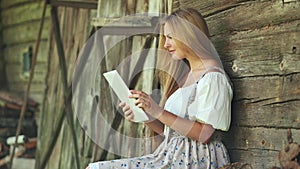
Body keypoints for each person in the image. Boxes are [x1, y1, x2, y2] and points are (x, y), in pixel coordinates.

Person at [87, 8, 233, 169]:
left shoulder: (213, 77)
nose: (165, 44)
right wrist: (145, 115)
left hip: (197, 159)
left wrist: (157, 111)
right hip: (173, 155)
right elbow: (171, 132)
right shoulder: (188, 75)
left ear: (188, 36)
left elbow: (204, 134)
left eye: (170, 37)